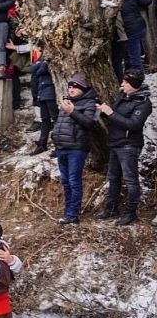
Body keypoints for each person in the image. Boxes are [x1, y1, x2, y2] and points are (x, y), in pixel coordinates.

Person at [95, 70, 153, 226]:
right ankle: (111, 209)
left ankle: (130, 213)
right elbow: (116, 117)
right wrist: (103, 111)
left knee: (131, 180)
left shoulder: (143, 103)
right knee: (113, 177)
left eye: (126, 82)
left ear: (134, 85)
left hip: (129, 145)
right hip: (115, 142)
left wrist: (111, 113)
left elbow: (133, 125)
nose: (122, 84)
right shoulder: (123, 95)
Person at [51, 75, 100, 224]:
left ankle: (73, 214)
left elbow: (91, 124)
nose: (71, 90)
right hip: (62, 147)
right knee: (65, 182)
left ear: (82, 89)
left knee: (74, 181)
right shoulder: (67, 101)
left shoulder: (90, 103)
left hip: (77, 148)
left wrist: (73, 111)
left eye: (75, 87)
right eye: (70, 87)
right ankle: (67, 211)